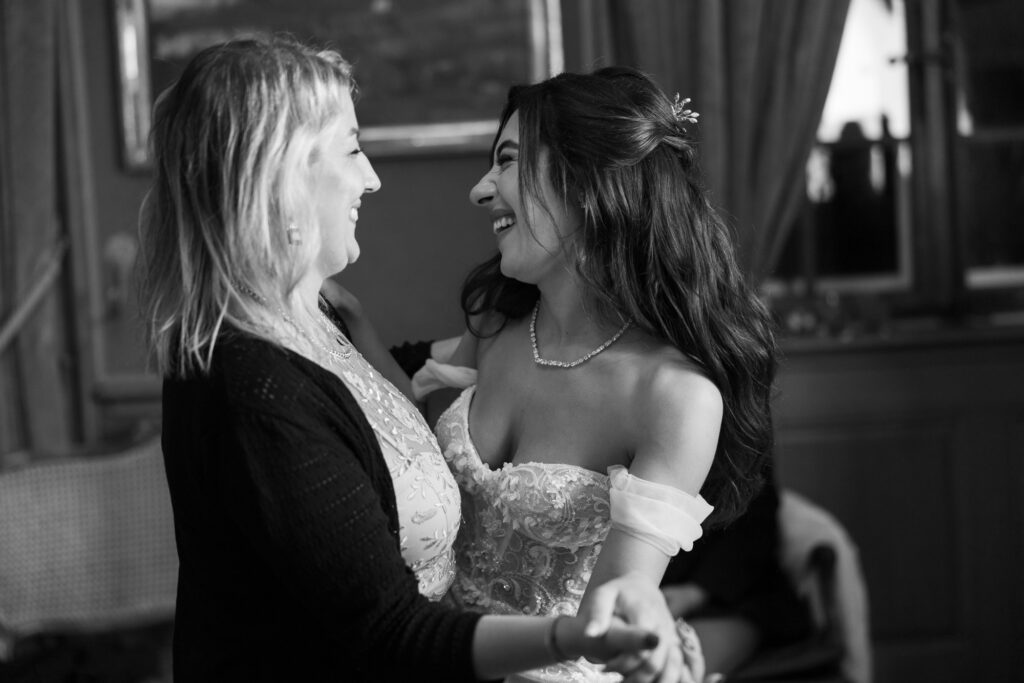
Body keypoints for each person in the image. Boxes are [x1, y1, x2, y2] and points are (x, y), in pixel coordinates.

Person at [139, 37, 683, 683]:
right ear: (281, 176)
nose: (371, 176)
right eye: (352, 149)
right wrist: (574, 637)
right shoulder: (252, 384)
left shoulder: (325, 324)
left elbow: (383, 404)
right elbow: (385, 632)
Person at [402, 66, 778, 682]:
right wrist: (341, 319)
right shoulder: (496, 325)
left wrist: (641, 629)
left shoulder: (674, 396)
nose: (479, 190)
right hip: (435, 651)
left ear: (586, 181)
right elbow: (390, 398)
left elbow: (622, 600)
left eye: (506, 161)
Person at [660, 467, 813, 675]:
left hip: (732, 595)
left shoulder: (738, 448)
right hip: (650, 590)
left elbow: (755, 528)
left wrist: (696, 592)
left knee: (674, 664)